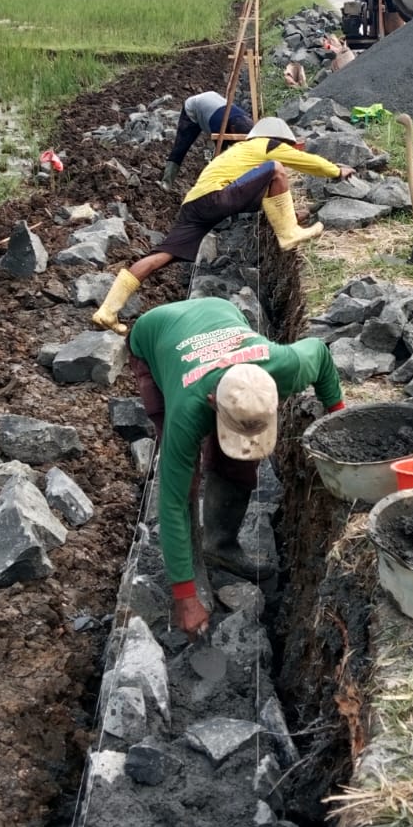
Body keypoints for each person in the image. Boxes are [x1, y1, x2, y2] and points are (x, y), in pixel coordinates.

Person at [128, 298, 344, 635]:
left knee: (239, 459)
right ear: (213, 403)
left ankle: (221, 545)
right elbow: (169, 503)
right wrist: (185, 599)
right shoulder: (188, 409)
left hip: (218, 311)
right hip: (155, 334)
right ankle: (193, 566)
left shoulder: (287, 366)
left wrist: (341, 425)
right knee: (185, 482)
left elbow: (320, 352)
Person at [92, 117, 353, 334]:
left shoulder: (238, 155)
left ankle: (108, 311)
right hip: (217, 197)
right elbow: (308, 162)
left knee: (158, 256)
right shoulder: (268, 144)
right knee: (275, 168)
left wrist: (292, 214)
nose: (285, 151)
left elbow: (258, 198)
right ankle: (288, 234)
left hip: (194, 205)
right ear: (280, 139)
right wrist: (336, 171)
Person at [163, 91, 254, 190]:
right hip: (193, 110)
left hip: (212, 102)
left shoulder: (245, 120)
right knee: (181, 146)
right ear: (232, 128)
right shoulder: (218, 124)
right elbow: (221, 153)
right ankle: (167, 182)